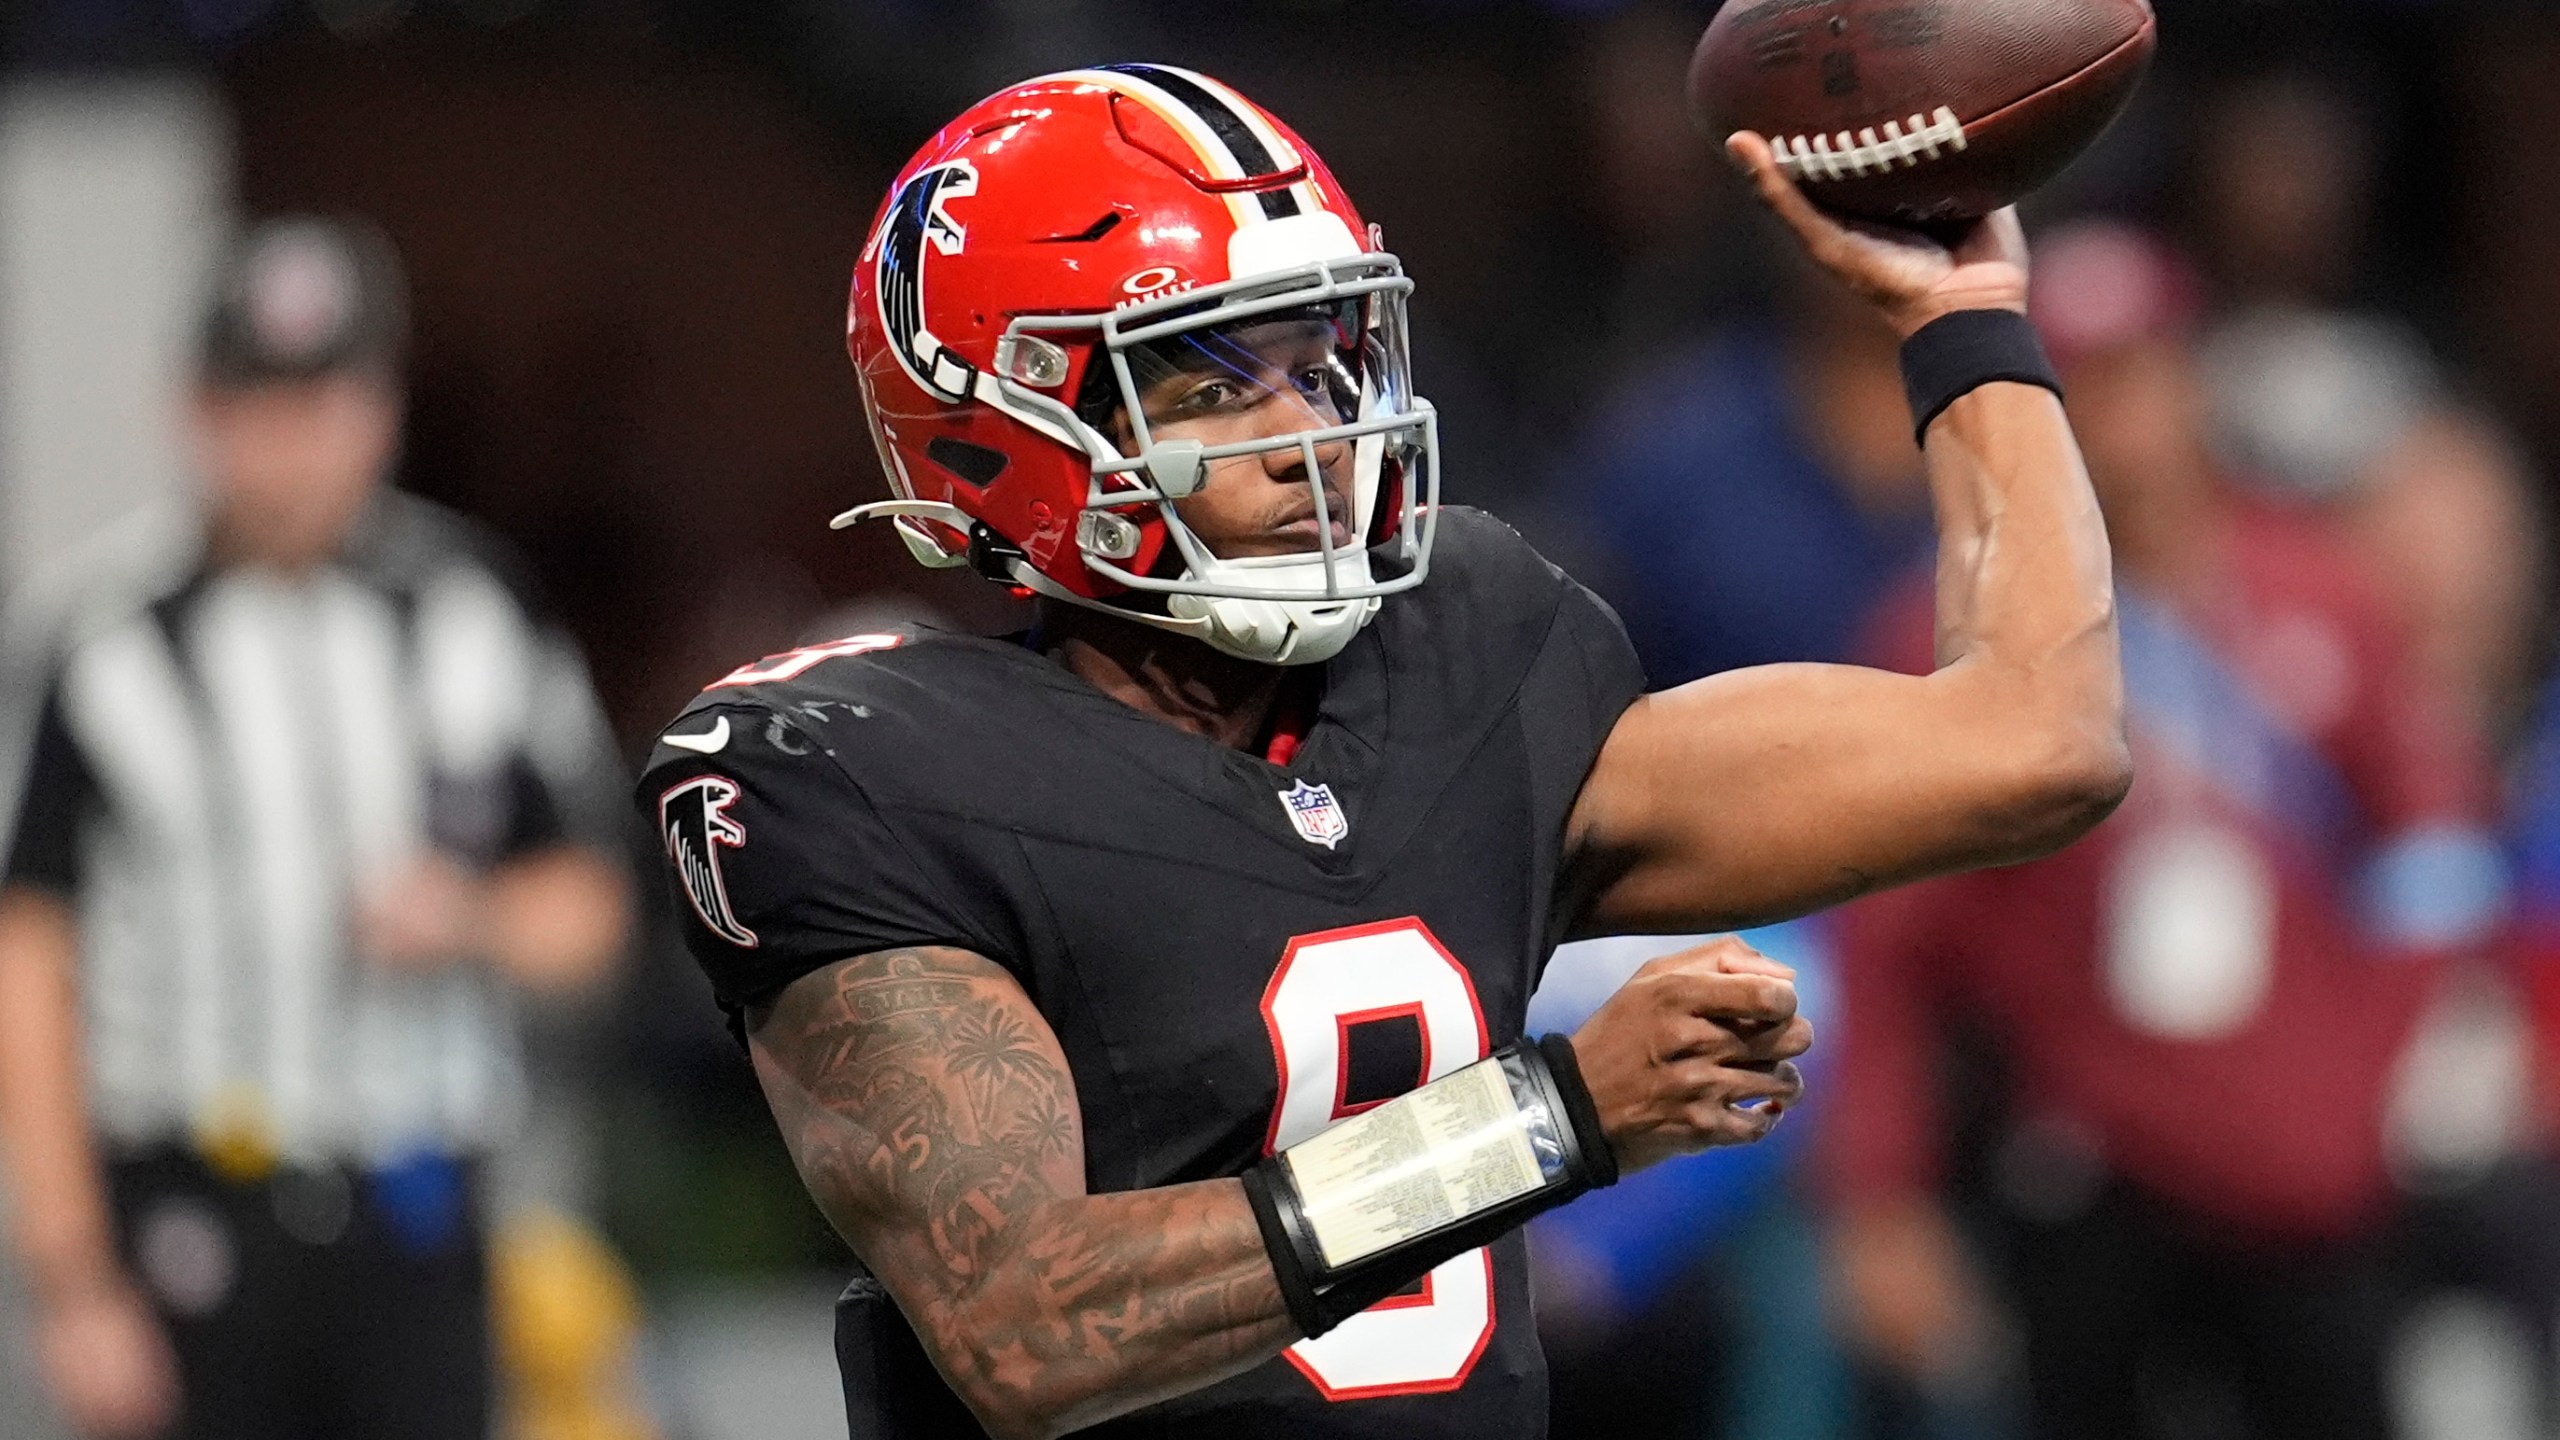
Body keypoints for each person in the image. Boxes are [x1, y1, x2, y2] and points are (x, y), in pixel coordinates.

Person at [638, 66, 2128, 1440]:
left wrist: (1967, 321)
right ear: (1007, 428)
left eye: (1326, 360)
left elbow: (2034, 741)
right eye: (1219, 384)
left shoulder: (1466, 663)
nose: (1312, 434)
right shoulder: (855, 771)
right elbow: (1032, 1323)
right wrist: (1556, 1115)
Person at [1819, 223, 2504, 1440]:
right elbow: (1887, 944)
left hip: (2314, 1177)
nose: (2119, 421)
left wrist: (2373, 1072)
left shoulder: (2323, 596)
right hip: (2087, 1160)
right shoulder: (1949, 626)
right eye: (2079, 385)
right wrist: (1880, 1196)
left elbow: (2434, 848)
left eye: (2141, 372)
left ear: (2190, 372)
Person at [0, 217, 633, 1440]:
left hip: (417, 1208)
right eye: (259, 406)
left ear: (381, 409)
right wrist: (72, 1274)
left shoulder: (473, 608)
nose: (292, 448)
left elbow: (591, 907)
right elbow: (30, 951)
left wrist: (472, 920)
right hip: (188, 1211)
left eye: (324, 404)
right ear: (194, 411)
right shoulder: (98, 632)